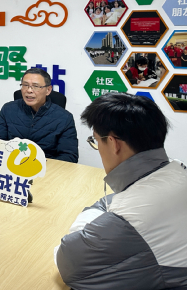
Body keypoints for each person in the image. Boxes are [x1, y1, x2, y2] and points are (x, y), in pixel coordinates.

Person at [55, 93, 187, 289]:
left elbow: (67, 258)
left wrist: (91, 218)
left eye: (96, 140)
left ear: (113, 143)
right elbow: (113, 201)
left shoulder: (129, 218)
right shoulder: (178, 170)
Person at [0, 68, 78, 162]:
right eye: (25, 85)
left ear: (48, 90)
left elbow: (69, 157)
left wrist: (38, 165)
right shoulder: (8, 109)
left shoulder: (65, 118)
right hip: (11, 164)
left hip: (46, 168)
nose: (29, 90)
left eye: (36, 86)